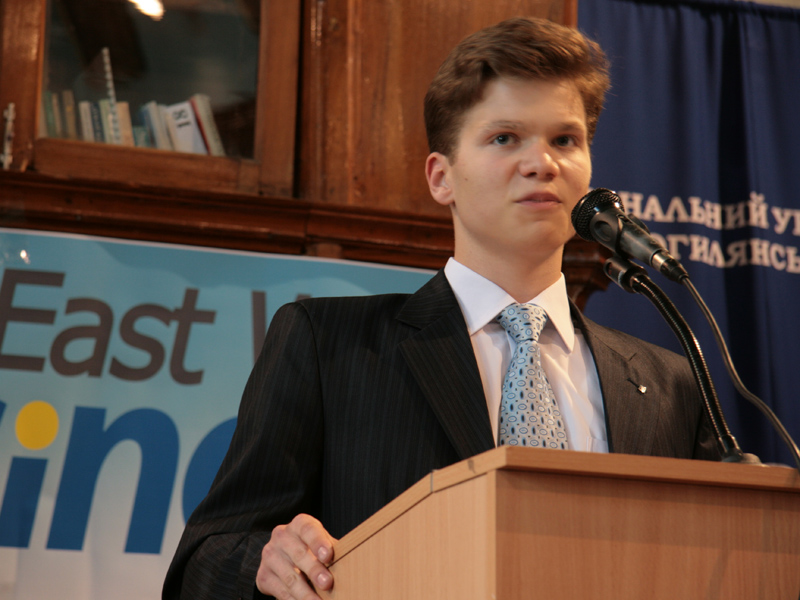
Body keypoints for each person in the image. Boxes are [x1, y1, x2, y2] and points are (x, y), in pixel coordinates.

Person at [162, 16, 719, 600]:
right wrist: (267, 562)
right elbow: (204, 563)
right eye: (505, 138)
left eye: (565, 140)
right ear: (441, 177)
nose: (542, 163)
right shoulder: (328, 346)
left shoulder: (671, 385)